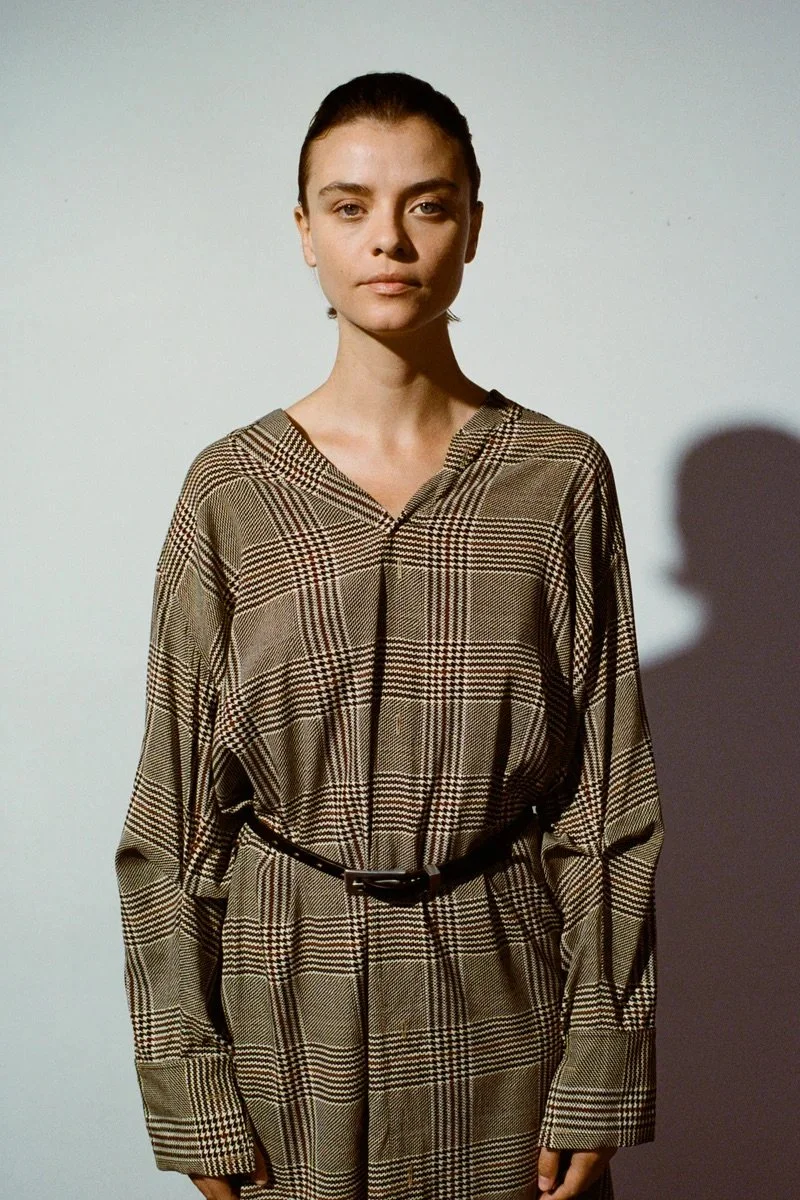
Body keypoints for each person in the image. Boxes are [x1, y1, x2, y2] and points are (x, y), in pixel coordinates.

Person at [114, 71, 664, 1200]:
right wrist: (189, 1087)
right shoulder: (231, 490)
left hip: (505, 993)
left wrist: (599, 1069)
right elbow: (169, 827)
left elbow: (608, 806)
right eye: (350, 205)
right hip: (283, 1000)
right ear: (304, 232)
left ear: (473, 226)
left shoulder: (557, 477)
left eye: (428, 204)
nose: (390, 241)